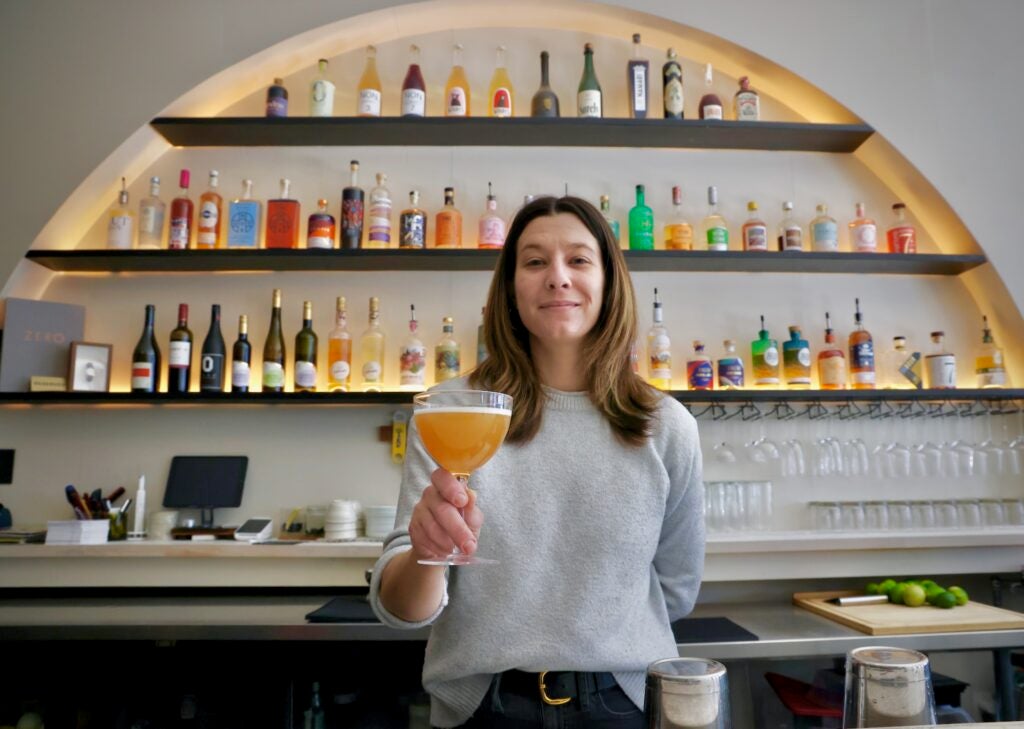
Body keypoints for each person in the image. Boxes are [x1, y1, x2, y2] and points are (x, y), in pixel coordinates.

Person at [369, 195, 705, 727]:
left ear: (609, 282)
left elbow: (677, 590)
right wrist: (427, 555)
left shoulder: (667, 425)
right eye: (534, 261)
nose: (557, 277)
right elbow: (401, 610)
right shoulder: (450, 411)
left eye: (579, 259)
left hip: (622, 705)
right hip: (483, 707)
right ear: (510, 287)